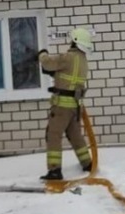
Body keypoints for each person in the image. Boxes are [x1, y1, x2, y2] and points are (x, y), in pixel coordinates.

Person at [38, 28, 93, 181]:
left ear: (74, 41)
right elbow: (69, 77)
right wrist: (55, 74)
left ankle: (55, 170)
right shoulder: (82, 60)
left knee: (53, 135)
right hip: (75, 107)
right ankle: (87, 163)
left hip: (62, 107)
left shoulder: (68, 57)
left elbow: (48, 63)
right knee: (75, 136)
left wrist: (41, 54)